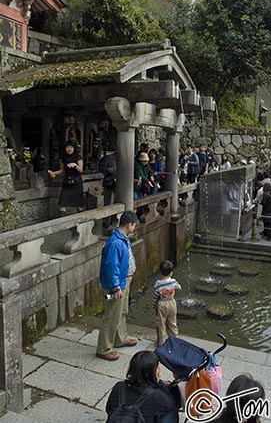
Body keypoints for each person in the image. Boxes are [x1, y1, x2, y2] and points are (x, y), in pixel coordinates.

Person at [96, 211, 138, 361]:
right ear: (129, 225)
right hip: (117, 283)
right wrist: (115, 287)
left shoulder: (122, 238)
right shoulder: (115, 242)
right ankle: (104, 348)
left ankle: (121, 338)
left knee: (122, 311)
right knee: (112, 315)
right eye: (134, 225)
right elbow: (111, 266)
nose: (134, 228)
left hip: (124, 281)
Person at [106, 350, 179, 423]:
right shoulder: (155, 395)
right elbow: (171, 404)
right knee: (172, 413)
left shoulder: (119, 386)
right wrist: (159, 382)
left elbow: (109, 409)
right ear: (153, 372)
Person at [48, 141, 84, 216]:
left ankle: (81, 219)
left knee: (79, 205)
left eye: (71, 147)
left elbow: (81, 170)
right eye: (67, 147)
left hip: (76, 181)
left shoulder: (78, 157)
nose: (69, 149)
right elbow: (62, 170)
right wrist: (54, 173)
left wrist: (75, 165)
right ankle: (62, 220)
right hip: (67, 181)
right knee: (62, 204)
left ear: (74, 148)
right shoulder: (63, 158)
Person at [152, 260, 182, 346]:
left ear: (160, 272)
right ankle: (174, 341)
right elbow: (179, 287)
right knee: (172, 322)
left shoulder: (158, 284)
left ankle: (161, 343)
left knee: (161, 324)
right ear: (171, 273)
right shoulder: (173, 281)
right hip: (172, 303)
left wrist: (154, 305)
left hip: (161, 303)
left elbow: (155, 295)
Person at [99, 150, 117, 231]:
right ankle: (106, 222)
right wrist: (108, 170)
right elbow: (101, 168)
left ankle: (115, 221)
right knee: (108, 203)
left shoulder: (126, 158)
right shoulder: (109, 158)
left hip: (121, 184)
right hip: (109, 182)